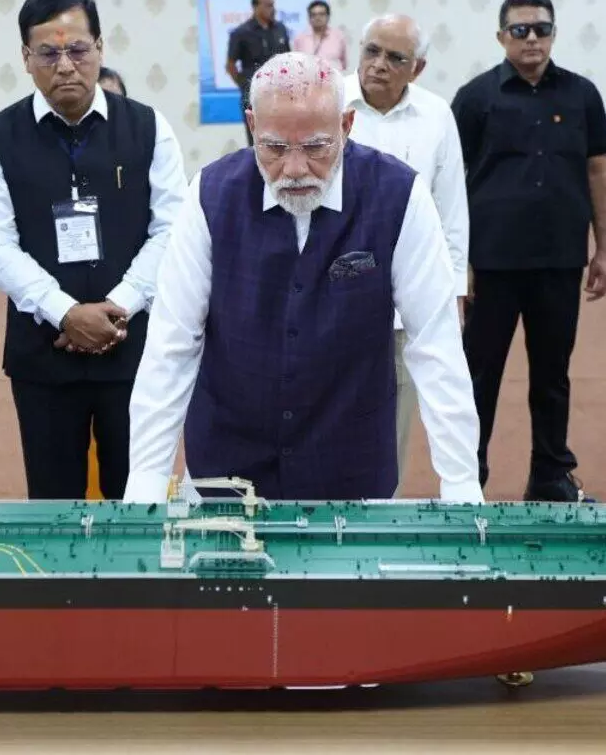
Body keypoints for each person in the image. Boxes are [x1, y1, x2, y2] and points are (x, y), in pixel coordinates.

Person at [124, 51, 484, 504]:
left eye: (316, 147)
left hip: (351, 464)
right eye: (274, 148)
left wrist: (461, 481)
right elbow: (172, 343)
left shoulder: (399, 194)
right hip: (225, 464)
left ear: (346, 125)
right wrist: (147, 477)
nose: (294, 170)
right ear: (252, 125)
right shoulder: (211, 194)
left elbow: (435, 344)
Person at [0, 0, 186, 500]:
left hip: (134, 350)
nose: (65, 66)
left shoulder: (149, 128)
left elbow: (172, 229)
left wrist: (119, 307)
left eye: (78, 49)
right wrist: (66, 313)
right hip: (44, 355)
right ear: (26, 58)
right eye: (48, 53)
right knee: (53, 503)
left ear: (100, 48)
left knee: (139, 499)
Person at [451, 0, 606, 502]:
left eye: (541, 29)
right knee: (479, 377)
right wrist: (458, 262)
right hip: (491, 264)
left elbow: (599, 172)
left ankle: (550, 476)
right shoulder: (475, 98)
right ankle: (466, 477)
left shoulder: (582, 95)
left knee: (552, 375)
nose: (531, 39)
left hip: (558, 261)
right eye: (519, 29)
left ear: (554, 34)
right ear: (501, 36)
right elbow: (449, 182)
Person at [344, 14, 468, 487]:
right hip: (328, 299)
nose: (380, 64)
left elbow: (451, 211)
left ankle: (380, 515)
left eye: (396, 58)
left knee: (391, 427)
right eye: (372, 51)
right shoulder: (327, 102)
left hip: (404, 303)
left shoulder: (437, 117)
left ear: (417, 68)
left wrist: (454, 292)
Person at [226, 0, 290, 144]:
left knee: (282, 140)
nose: (273, 9)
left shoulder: (280, 29)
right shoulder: (241, 32)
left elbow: (288, 58)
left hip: (279, 94)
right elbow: (230, 65)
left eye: (273, 5)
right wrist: (245, 86)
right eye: (268, 5)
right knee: (256, 142)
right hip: (254, 97)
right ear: (256, 7)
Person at [292, 0, 348, 71]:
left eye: (321, 14)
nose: (317, 18)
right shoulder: (300, 39)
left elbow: (343, 64)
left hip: (333, 77)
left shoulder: (338, 37)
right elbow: (296, 64)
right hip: (308, 77)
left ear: (328, 16)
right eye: (314, 15)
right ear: (309, 18)